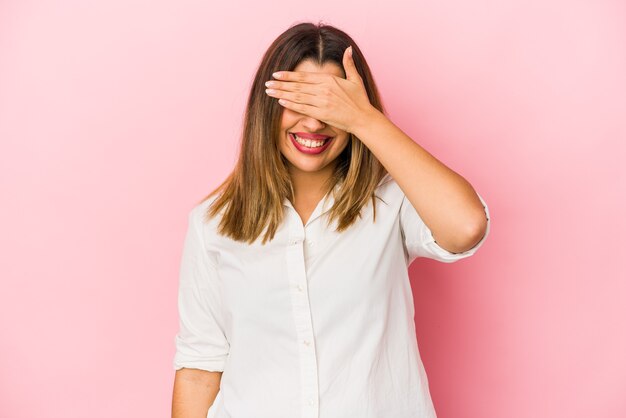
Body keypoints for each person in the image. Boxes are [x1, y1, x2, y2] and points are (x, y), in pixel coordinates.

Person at [171, 21, 490, 418]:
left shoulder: (392, 201)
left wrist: (364, 120)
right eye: (301, 102)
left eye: (331, 106)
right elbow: (200, 366)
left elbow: (466, 227)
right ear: (266, 107)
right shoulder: (211, 224)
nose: (314, 123)